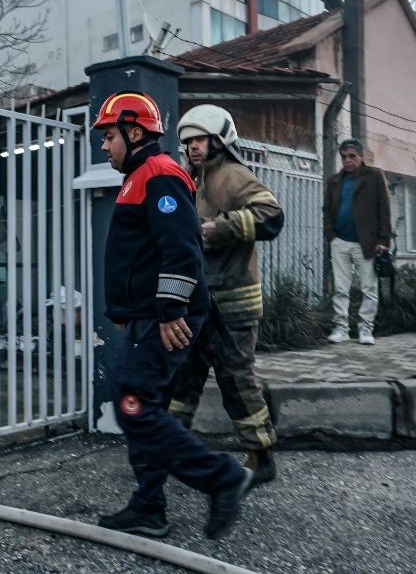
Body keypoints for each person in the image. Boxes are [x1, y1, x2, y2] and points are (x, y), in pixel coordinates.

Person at [91, 91, 253, 540]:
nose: (104, 146)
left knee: (134, 405)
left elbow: (181, 251)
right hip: (145, 318)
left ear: (135, 131)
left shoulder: (159, 174)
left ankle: (220, 477)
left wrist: (168, 311)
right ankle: (148, 507)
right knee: (147, 405)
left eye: (109, 136)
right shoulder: (140, 176)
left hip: (161, 319)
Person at [165, 104, 283, 484]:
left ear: (219, 140)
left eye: (199, 140)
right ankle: (169, 447)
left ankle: (260, 456)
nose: (193, 148)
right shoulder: (190, 181)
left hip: (234, 299)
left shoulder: (235, 175)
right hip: (199, 299)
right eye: (188, 143)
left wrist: (223, 227)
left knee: (235, 377)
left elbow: (272, 216)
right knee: (184, 374)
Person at [323, 139, 392, 345]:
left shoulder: (374, 176)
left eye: (352, 156)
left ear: (361, 156)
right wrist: (331, 236)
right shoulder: (334, 180)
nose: (348, 160)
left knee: (368, 288)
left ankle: (365, 329)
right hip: (340, 242)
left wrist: (383, 239)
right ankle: (341, 329)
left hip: (367, 243)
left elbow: (384, 208)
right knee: (340, 289)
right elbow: (326, 211)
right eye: (344, 157)